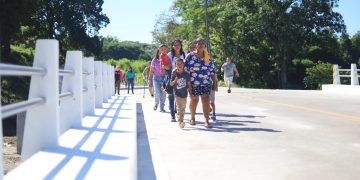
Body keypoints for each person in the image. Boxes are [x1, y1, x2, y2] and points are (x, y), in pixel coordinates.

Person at [184, 38, 216, 128]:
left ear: (205, 45)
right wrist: (187, 83)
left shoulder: (208, 57)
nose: (201, 44)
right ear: (196, 45)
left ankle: (206, 121)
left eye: (203, 43)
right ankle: (192, 118)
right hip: (192, 83)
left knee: (206, 100)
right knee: (194, 100)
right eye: (199, 43)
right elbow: (185, 69)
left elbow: (212, 71)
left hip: (205, 82)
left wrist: (215, 83)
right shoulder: (190, 56)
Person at [167, 39, 186, 121]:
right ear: (172, 46)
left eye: (178, 44)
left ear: (181, 45)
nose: (176, 46)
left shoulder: (185, 54)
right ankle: (172, 115)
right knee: (171, 96)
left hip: (182, 78)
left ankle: (178, 111)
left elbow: (187, 66)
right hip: (172, 76)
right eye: (175, 45)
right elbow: (166, 66)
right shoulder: (170, 55)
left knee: (181, 96)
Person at [171, 58, 192, 128]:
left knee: (183, 108)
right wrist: (175, 80)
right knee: (179, 108)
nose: (179, 65)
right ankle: (181, 121)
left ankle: (180, 118)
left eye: (181, 64)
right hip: (177, 94)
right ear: (175, 65)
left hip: (184, 94)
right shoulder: (174, 73)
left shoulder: (186, 74)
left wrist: (191, 93)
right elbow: (171, 84)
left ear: (183, 65)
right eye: (178, 64)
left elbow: (188, 84)